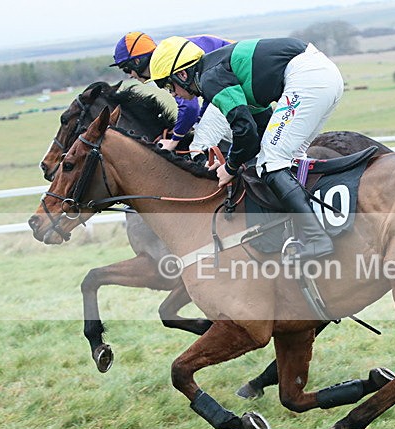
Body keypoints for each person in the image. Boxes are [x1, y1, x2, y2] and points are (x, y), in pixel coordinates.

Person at [148, 36, 343, 261]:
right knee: (287, 157)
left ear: (182, 74)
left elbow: (244, 130)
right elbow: (258, 129)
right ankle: (307, 224)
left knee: (272, 162)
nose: (172, 94)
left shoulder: (210, 78)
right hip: (322, 75)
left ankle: (316, 238)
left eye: (168, 86)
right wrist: (232, 162)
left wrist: (229, 167)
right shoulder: (221, 71)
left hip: (308, 78)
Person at [110, 32, 233, 155]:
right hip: (233, 80)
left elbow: (190, 107)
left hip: (234, 82)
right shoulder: (165, 55)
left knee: (198, 148)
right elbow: (208, 97)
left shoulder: (165, 62)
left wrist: (174, 141)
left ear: (137, 61)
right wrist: (194, 123)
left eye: (127, 69)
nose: (130, 75)